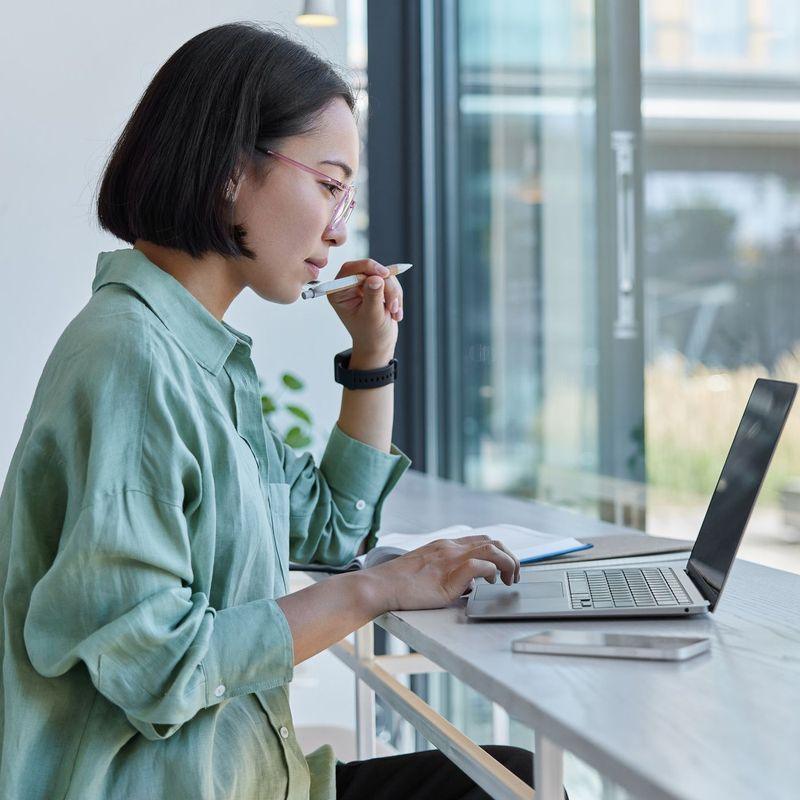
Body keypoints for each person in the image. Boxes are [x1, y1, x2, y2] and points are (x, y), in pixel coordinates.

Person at [0, 22, 548, 800]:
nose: (340, 227)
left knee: (507, 781)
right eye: (328, 185)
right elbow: (159, 667)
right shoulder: (130, 360)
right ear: (230, 171)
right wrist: (379, 589)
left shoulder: (199, 358)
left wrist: (371, 358)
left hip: (246, 780)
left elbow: (332, 528)